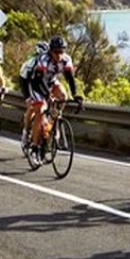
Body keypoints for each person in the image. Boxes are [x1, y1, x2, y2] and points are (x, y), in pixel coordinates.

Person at [24, 36, 83, 165]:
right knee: (40, 110)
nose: (59, 55)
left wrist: (76, 95)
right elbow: (41, 80)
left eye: (62, 51)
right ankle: (34, 147)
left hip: (51, 82)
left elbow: (70, 79)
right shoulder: (44, 59)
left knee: (63, 96)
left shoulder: (66, 60)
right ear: (50, 51)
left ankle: (54, 122)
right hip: (37, 84)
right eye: (56, 52)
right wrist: (48, 94)